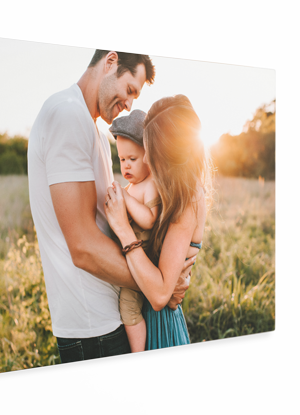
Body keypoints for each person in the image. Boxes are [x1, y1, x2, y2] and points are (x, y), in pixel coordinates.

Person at [28, 50, 195, 364]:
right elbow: (83, 246)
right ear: (110, 62)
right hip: (95, 327)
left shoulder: (90, 127)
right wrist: (160, 287)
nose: (130, 104)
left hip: (106, 316)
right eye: (130, 90)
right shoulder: (67, 115)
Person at [105, 95, 213, 350]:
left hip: (160, 325)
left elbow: (160, 294)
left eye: (150, 152)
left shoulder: (187, 199)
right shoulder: (171, 192)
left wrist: (123, 229)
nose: (144, 160)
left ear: (168, 155)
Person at [109, 109, 160, 353]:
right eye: (122, 160)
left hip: (143, 260)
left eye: (133, 159)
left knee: (128, 308)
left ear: (148, 157)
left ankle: (138, 353)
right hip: (129, 258)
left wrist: (126, 200)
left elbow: (149, 220)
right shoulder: (132, 186)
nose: (126, 165)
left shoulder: (149, 185)